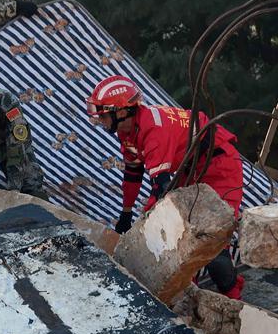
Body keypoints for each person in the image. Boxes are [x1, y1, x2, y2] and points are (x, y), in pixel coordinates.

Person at [86, 75, 245, 298]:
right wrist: (126, 213)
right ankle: (185, 292)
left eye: (103, 115)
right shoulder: (128, 130)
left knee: (210, 237)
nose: (100, 121)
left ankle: (233, 297)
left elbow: (161, 189)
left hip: (218, 166)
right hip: (188, 169)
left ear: (121, 111)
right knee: (149, 225)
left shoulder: (154, 131)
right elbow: (133, 174)